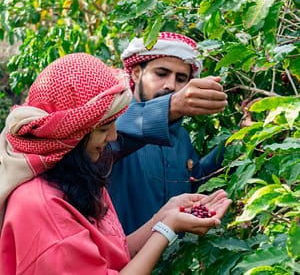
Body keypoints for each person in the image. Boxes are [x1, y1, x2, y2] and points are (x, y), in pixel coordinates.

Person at [0, 53, 232, 274]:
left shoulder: (80, 174)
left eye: (180, 78)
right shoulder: (44, 208)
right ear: (71, 133)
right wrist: (167, 228)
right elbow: (130, 130)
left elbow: (111, 254)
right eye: (103, 129)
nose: (112, 136)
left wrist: (162, 217)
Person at [108, 32, 229, 234]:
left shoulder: (181, 136)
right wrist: (170, 107)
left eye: (181, 79)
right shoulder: (110, 122)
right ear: (136, 73)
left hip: (172, 260)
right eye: (161, 74)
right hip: (121, 260)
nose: (171, 85)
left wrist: (236, 142)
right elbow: (116, 139)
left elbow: (193, 181)